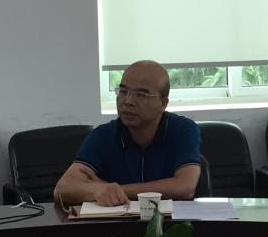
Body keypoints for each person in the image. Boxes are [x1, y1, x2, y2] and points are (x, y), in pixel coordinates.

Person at [54, 60, 201, 206]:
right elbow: (62, 188)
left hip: (170, 220)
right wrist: (96, 190)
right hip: (118, 220)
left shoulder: (183, 130)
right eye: (123, 92)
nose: (128, 101)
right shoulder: (103, 135)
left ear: (163, 103)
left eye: (141, 94)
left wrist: (112, 190)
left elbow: (185, 187)